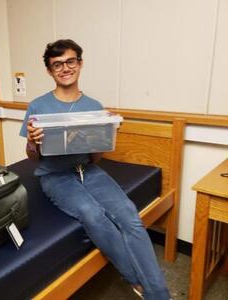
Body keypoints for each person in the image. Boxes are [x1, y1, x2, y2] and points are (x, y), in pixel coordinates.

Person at [20, 39, 171, 300]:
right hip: (55, 176)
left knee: (128, 215)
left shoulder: (94, 107)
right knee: (94, 214)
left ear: (80, 63)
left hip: (88, 170)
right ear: (49, 70)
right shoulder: (38, 107)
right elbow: (32, 158)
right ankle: (138, 283)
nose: (65, 68)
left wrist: (107, 132)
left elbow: (97, 158)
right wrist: (33, 141)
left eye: (70, 61)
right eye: (57, 64)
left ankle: (159, 294)